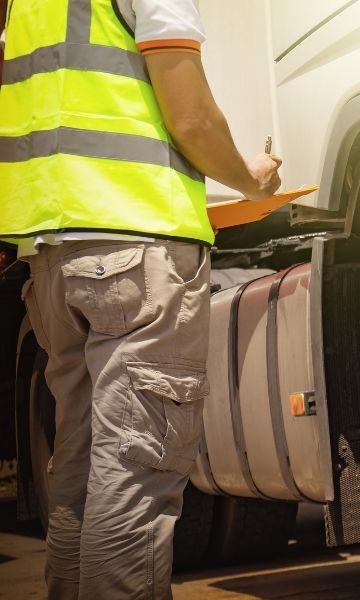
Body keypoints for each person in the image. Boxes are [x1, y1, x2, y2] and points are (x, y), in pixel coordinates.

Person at [0, 1, 281, 598]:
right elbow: (191, 117)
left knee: (81, 471)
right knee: (134, 473)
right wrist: (249, 178)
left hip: (53, 253)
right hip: (134, 251)